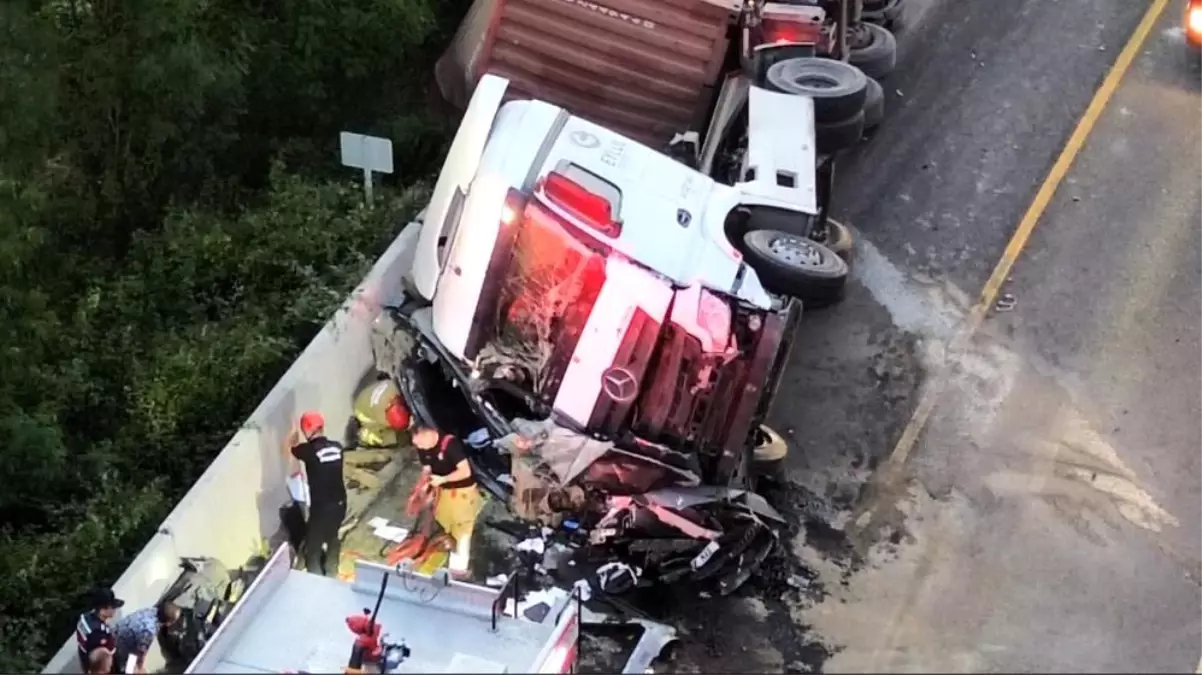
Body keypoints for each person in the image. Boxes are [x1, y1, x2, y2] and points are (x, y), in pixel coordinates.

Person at [410, 426, 483, 579]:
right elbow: (427, 467)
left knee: (462, 530)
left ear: (428, 434)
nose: (420, 448)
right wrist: (422, 486)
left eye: (421, 444)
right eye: (417, 445)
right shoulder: (423, 446)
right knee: (444, 521)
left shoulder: (450, 445)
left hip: (462, 492)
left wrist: (443, 479)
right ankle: (448, 545)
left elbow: (465, 471)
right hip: (442, 492)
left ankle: (459, 570)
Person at [286, 410, 347, 577]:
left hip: (321, 507)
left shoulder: (308, 451)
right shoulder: (338, 447)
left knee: (314, 545)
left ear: (306, 429)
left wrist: (292, 438)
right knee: (333, 535)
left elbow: (292, 452)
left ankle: (317, 579)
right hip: (340, 503)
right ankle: (332, 571)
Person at [112, 600, 180, 675]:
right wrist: (139, 669)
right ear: (169, 622)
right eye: (174, 621)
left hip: (115, 636)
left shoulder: (150, 610)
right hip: (119, 650)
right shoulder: (149, 631)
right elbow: (140, 655)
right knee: (131, 670)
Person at [350, 374, 411, 449]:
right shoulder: (382, 418)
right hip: (362, 413)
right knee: (390, 439)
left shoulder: (394, 388)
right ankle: (360, 434)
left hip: (364, 398)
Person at [76, 588, 121, 673]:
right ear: (103, 609)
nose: (115, 609)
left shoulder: (85, 619)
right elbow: (102, 662)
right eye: (112, 606)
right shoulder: (98, 633)